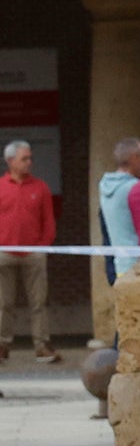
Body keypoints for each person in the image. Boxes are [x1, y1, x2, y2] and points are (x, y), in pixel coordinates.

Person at [0, 140, 58, 362]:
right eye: (24, 159)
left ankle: (42, 345)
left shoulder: (40, 187)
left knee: (38, 303)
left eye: (30, 158)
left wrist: (43, 245)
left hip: (33, 253)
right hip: (4, 253)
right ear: (10, 161)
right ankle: (2, 344)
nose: (29, 163)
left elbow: (48, 220)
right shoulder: (1, 186)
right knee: (3, 303)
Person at [99, 137, 140, 278]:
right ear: (134, 158)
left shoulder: (105, 188)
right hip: (139, 266)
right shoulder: (133, 188)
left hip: (121, 266)